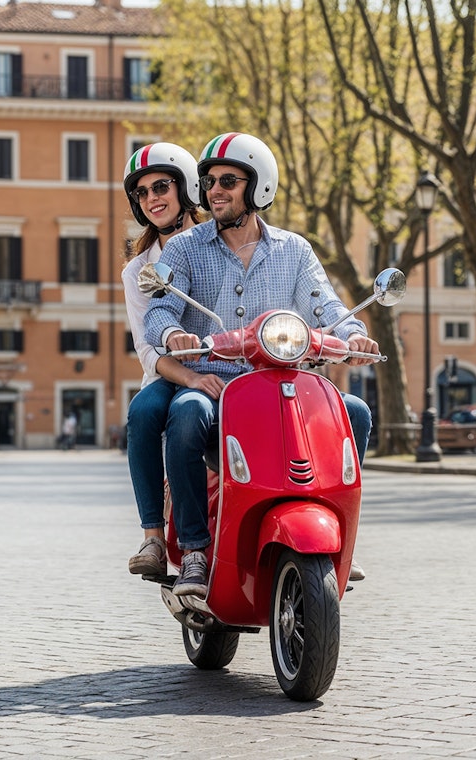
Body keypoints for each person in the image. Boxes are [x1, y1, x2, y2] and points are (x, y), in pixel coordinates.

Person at [143, 132, 376, 596]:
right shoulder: (186, 248)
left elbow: (325, 303)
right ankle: (192, 549)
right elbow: (159, 310)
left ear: (259, 186)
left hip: (282, 383)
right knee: (185, 414)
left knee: (354, 413)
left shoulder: (294, 249)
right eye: (209, 182)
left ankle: (338, 532)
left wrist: (352, 335)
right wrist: (174, 335)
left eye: (228, 180)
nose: (215, 191)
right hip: (216, 383)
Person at [119, 142, 210, 577]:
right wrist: (191, 378)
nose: (152, 198)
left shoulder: (217, 243)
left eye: (161, 186)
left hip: (224, 366)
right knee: (143, 412)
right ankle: (153, 535)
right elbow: (147, 350)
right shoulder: (137, 269)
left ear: (186, 188)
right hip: (170, 372)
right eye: (142, 193)